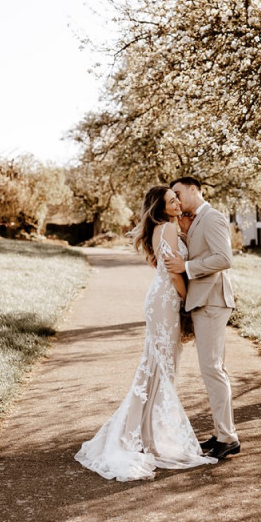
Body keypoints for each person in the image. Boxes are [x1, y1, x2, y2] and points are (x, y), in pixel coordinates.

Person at [75, 186, 217, 482]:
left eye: (177, 197)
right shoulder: (166, 229)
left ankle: (145, 433)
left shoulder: (164, 229)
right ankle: (144, 437)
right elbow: (175, 273)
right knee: (161, 370)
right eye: (171, 200)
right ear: (160, 208)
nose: (177, 202)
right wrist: (187, 304)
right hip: (166, 302)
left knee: (156, 369)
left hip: (159, 300)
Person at [164, 176, 240, 460]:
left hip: (212, 301)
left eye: (179, 193)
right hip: (203, 301)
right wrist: (184, 235)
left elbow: (224, 259)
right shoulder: (194, 220)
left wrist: (187, 266)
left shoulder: (213, 218)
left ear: (194, 190)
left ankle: (228, 437)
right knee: (211, 369)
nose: (177, 199)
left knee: (212, 368)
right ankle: (223, 432)